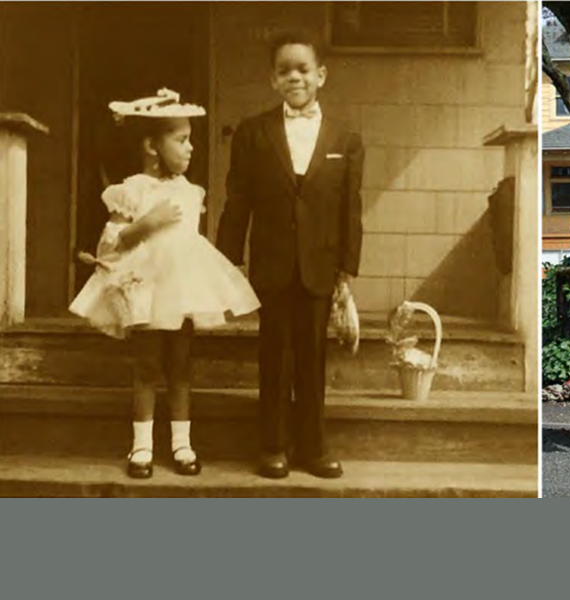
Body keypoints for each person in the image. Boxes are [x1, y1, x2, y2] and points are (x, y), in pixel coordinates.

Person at [69, 88, 261, 479]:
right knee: (146, 366)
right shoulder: (132, 189)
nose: (190, 148)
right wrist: (144, 225)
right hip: (145, 288)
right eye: (181, 139)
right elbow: (109, 244)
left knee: (181, 365)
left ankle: (181, 444)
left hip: (179, 290)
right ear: (151, 146)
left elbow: (187, 246)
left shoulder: (191, 193)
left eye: (190, 139)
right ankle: (141, 447)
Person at [216, 32, 363, 480]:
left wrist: (346, 274)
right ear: (272, 80)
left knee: (312, 358)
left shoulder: (345, 137)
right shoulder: (253, 132)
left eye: (303, 69)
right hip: (272, 265)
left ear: (321, 75)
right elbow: (236, 201)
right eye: (284, 70)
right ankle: (273, 446)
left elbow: (349, 209)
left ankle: (313, 448)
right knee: (274, 356)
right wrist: (227, 264)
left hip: (319, 267)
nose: (294, 77)